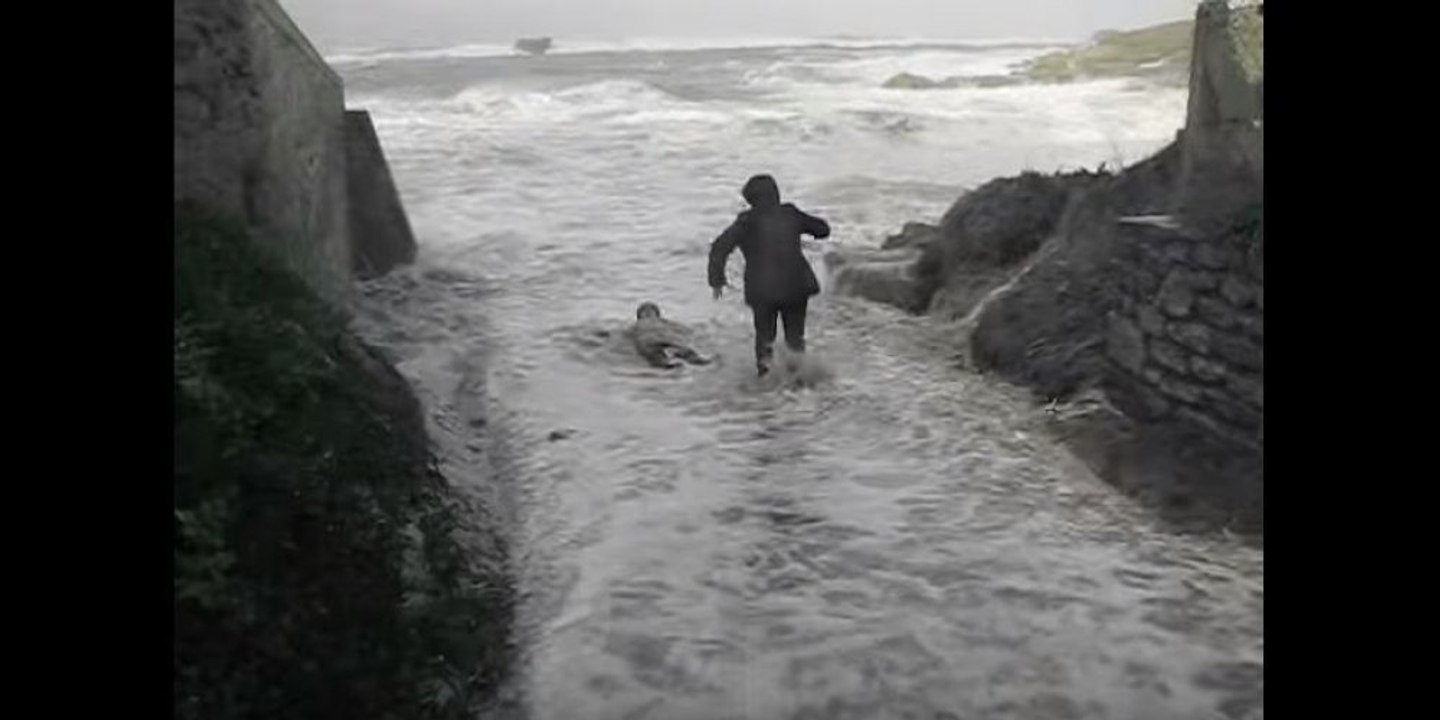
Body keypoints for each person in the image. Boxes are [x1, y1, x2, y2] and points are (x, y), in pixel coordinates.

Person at [707, 174, 831, 376]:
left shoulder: (746, 222)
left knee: (765, 338)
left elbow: (719, 248)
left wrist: (717, 280)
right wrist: (805, 228)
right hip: (795, 285)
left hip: (764, 290)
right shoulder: (790, 213)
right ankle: (799, 379)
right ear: (776, 195)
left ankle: (766, 381)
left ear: (750, 200)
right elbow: (823, 230)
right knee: (795, 337)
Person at [630, 302, 711, 369]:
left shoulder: (635, 326)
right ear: (658, 315)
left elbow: (626, 337)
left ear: (638, 316)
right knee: (686, 352)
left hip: (649, 341)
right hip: (670, 339)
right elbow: (687, 331)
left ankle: (667, 364)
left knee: (656, 358)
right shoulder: (666, 322)